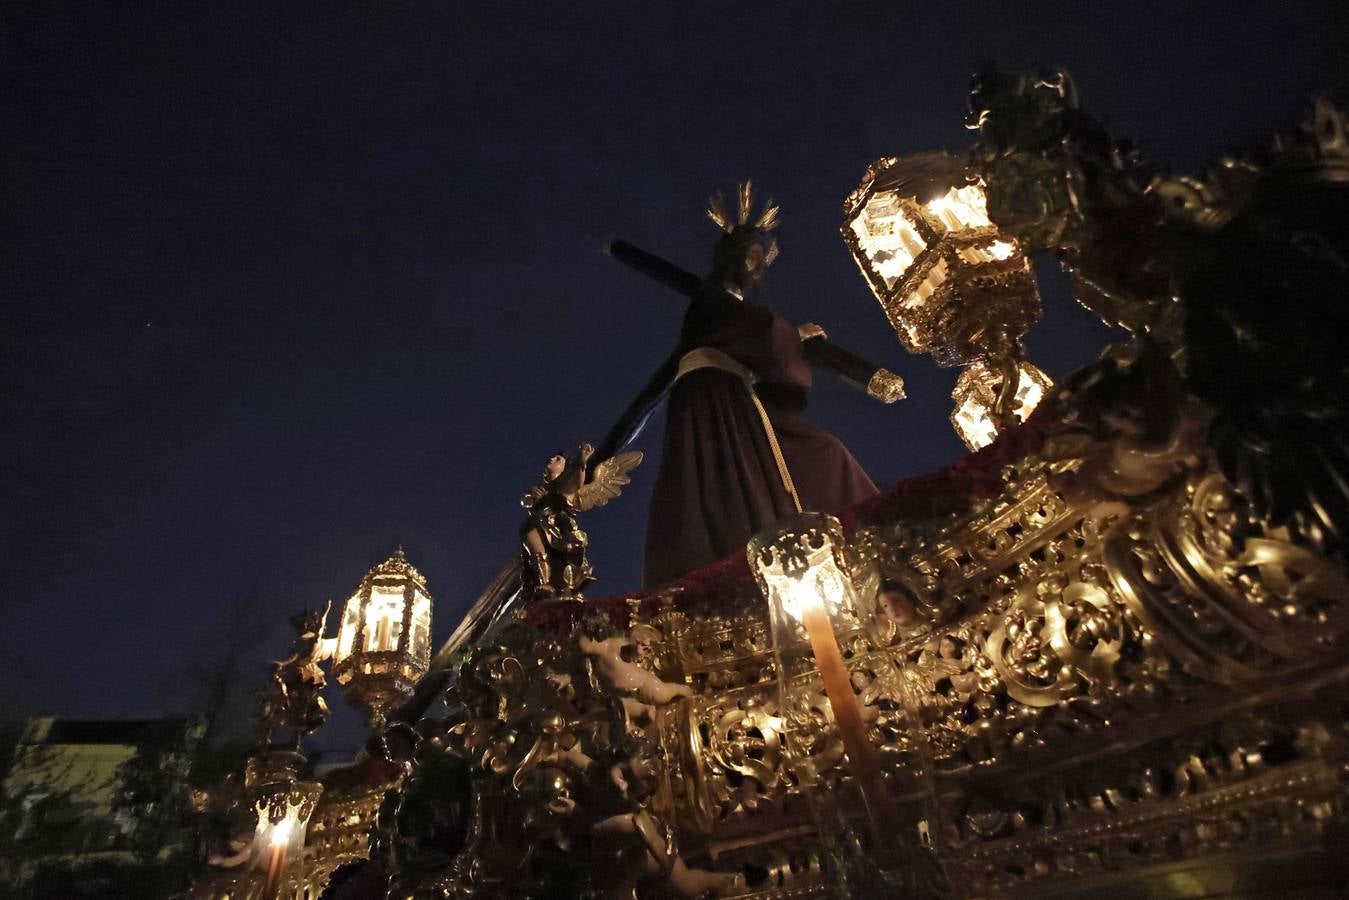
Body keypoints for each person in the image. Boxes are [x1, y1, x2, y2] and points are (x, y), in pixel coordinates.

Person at [640, 184, 878, 586]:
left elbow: (757, 349)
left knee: (823, 451)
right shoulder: (712, 299)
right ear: (734, 257)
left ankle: (867, 536)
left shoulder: (730, 300)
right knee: (738, 484)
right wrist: (792, 334)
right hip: (715, 399)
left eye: (760, 258)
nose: (756, 265)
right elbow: (750, 333)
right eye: (751, 255)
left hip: (740, 397)